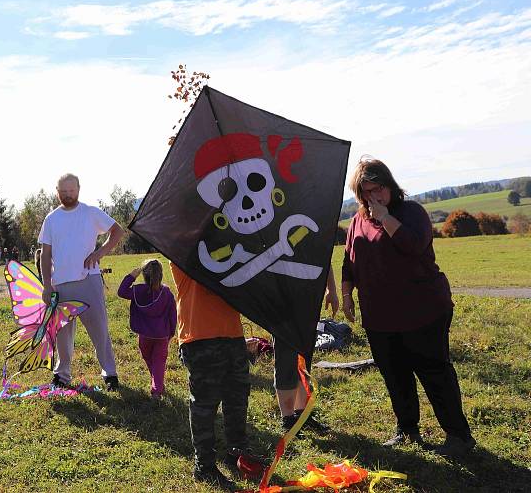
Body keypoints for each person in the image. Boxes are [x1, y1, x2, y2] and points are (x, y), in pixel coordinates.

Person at [341, 157, 475, 457]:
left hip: (422, 312)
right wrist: (347, 294)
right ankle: (407, 428)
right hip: (380, 317)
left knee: (434, 373)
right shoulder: (357, 221)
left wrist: (386, 217)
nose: (373, 197)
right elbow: (350, 261)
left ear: (390, 186)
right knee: (394, 374)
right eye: (366, 192)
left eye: (379, 189)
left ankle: (458, 436)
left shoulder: (411, 212)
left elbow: (414, 246)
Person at [170, 263, 261, 490]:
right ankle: (205, 467)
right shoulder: (184, 249)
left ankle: (237, 453)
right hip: (199, 339)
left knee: (237, 399)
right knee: (204, 406)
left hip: (232, 336)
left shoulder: (230, 246)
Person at [38, 173, 124, 390]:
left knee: (99, 329)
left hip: (89, 280)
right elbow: (45, 254)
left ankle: (110, 374)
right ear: (57, 192)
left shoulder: (90, 212)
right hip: (61, 285)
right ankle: (62, 376)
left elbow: (117, 231)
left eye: (72, 191)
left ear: (79, 189)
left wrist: (100, 253)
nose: (68, 195)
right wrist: (47, 285)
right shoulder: (51, 219)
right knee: (63, 333)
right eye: (63, 192)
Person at [273, 268, 338, 434]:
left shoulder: (314, 240)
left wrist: (332, 289)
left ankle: (302, 415)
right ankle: (288, 419)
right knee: (286, 360)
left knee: (304, 361)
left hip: (308, 303)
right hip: (281, 306)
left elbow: (324, 257)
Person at [117, 259, 176, 399]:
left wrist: (131, 275)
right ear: (160, 275)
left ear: (144, 275)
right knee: (159, 362)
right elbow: (173, 315)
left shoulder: (138, 291)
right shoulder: (167, 293)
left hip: (144, 334)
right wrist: (171, 333)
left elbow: (121, 292)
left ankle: (157, 385)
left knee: (149, 359)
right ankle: (157, 387)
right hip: (162, 335)